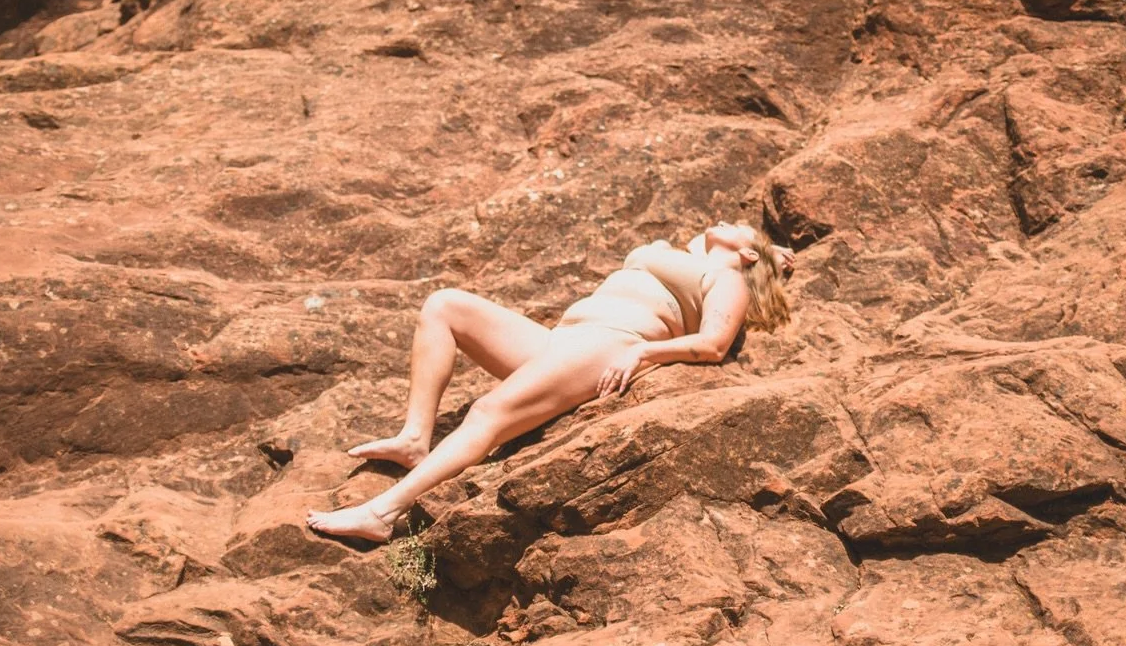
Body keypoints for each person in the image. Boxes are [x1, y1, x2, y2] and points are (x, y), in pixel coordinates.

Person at [305, 222, 792, 543]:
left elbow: (712, 344)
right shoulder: (688, 254)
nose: (726, 218)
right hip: (562, 340)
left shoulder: (726, 277)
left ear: (748, 252)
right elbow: (686, 249)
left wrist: (643, 350)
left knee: (487, 413)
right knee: (444, 305)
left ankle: (383, 515)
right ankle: (415, 438)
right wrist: (767, 252)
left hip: (609, 343)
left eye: (740, 226)